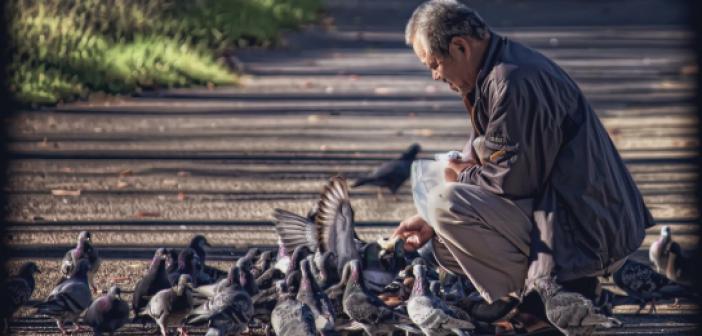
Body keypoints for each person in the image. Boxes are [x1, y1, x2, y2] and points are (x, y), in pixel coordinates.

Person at [395, 0, 654, 334]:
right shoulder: (498, 70)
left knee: (446, 205)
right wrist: (430, 216)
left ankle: (559, 292)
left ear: (460, 47)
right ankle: (540, 296)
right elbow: (484, 151)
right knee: (442, 240)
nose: (435, 76)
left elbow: (511, 182)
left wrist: (456, 178)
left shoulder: (513, 81)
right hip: (567, 215)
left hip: (585, 224)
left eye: (434, 64)